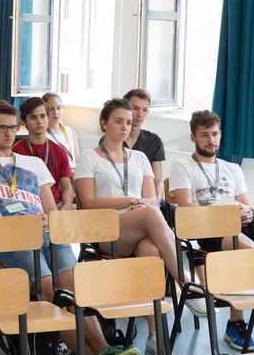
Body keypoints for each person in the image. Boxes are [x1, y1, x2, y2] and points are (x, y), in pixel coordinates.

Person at [0, 100, 140, 355]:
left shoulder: (33, 164)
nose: (8, 133)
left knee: (72, 287)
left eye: (12, 128)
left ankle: (103, 350)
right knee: (49, 289)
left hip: (48, 236)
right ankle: (98, 352)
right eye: (1, 128)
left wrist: (49, 220)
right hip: (9, 240)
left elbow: (51, 211)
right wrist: (15, 225)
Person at [74, 98, 197, 354]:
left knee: (152, 250)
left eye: (129, 123)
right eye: (118, 121)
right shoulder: (89, 157)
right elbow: (88, 202)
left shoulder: (140, 157)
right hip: (105, 231)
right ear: (104, 123)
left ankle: (154, 335)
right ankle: (185, 282)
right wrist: (132, 201)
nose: (125, 127)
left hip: (140, 225)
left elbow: (151, 197)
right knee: (152, 214)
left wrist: (140, 204)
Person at [169, 110, 254, 351]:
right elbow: (187, 209)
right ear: (193, 138)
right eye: (204, 135)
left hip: (237, 222)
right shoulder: (183, 165)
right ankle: (235, 324)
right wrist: (224, 214)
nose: (211, 140)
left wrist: (249, 212)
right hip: (206, 228)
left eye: (215, 134)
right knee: (245, 247)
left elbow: (246, 203)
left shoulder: (231, 168)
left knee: (252, 228)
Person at [12, 97, 74, 210]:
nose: (39, 121)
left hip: (57, 204)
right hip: (29, 206)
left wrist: (67, 205)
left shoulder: (60, 151)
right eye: (33, 117)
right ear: (24, 121)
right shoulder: (16, 152)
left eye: (43, 116)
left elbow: (66, 186)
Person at [122, 89, 165, 199]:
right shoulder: (111, 139)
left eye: (144, 110)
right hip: (120, 197)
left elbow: (158, 181)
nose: (140, 114)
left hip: (147, 199)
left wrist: (158, 202)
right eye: (135, 108)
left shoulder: (154, 141)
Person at [42, 92, 79, 171]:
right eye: (51, 109)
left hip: (73, 174)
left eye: (58, 108)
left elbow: (77, 161)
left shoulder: (71, 132)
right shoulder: (42, 135)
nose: (56, 113)